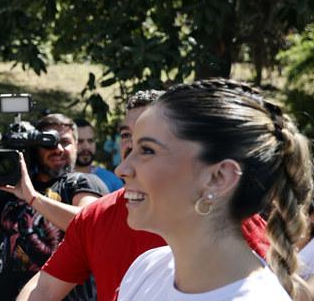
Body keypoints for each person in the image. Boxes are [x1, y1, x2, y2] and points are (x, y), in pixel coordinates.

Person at [14, 90, 270, 301]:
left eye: (147, 145)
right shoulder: (139, 262)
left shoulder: (228, 222)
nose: (127, 154)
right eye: (126, 135)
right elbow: (43, 290)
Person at [0, 113, 108, 301]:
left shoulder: (82, 182)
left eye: (65, 142)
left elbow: (90, 224)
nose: (57, 149)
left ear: (76, 146)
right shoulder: (12, 189)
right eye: (49, 143)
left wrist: (33, 198)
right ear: (35, 148)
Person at [73, 119, 123, 192]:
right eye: (80, 141)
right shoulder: (57, 179)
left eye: (90, 141)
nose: (86, 146)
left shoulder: (112, 180)